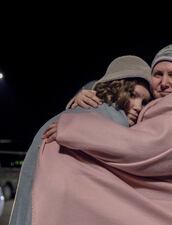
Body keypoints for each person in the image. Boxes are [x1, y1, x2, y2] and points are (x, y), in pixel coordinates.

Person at [42, 44, 172, 224]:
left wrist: (75, 128)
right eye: (158, 74)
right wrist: (88, 96)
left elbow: (144, 148)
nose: (164, 82)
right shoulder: (157, 111)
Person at [9, 55, 153, 225]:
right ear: (118, 88)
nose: (138, 107)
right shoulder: (113, 119)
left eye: (144, 102)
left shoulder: (80, 111)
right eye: (133, 95)